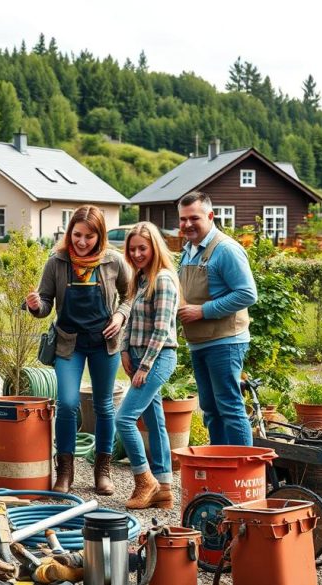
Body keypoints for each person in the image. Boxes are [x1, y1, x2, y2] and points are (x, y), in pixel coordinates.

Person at [26, 205, 131, 495]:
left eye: (89, 236)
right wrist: (37, 306)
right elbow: (45, 302)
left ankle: (102, 470)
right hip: (68, 343)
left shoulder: (113, 261)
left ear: (100, 236)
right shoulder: (57, 262)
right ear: (69, 232)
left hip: (103, 343)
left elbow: (130, 294)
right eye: (77, 235)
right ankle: (66, 471)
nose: (82, 242)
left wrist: (120, 315)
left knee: (103, 406)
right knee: (68, 403)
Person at [176, 191, 257, 446]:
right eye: (182, 219)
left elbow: (247, 294)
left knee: (230, 408)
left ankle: (243, 474)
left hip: (226, 341)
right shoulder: (189, 250)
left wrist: (203, 311)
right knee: (210, 409)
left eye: (194, 218)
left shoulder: (226, 249)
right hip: (199, 342)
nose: (187, 224)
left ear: (210, 216)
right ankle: (220, 467)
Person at [115, 223, 178, 509]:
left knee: (124, 419)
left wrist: (144, 367)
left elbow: (162, 329)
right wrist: (124, 350)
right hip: (138, 356)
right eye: (132, 249)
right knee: (155, 422)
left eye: (143, 248)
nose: (137, 253)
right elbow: (129, 317)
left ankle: (144, 479)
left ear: (154, 247)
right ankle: (164, 488)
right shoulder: (139, 279)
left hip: (158, 357)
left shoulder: (163, 279)